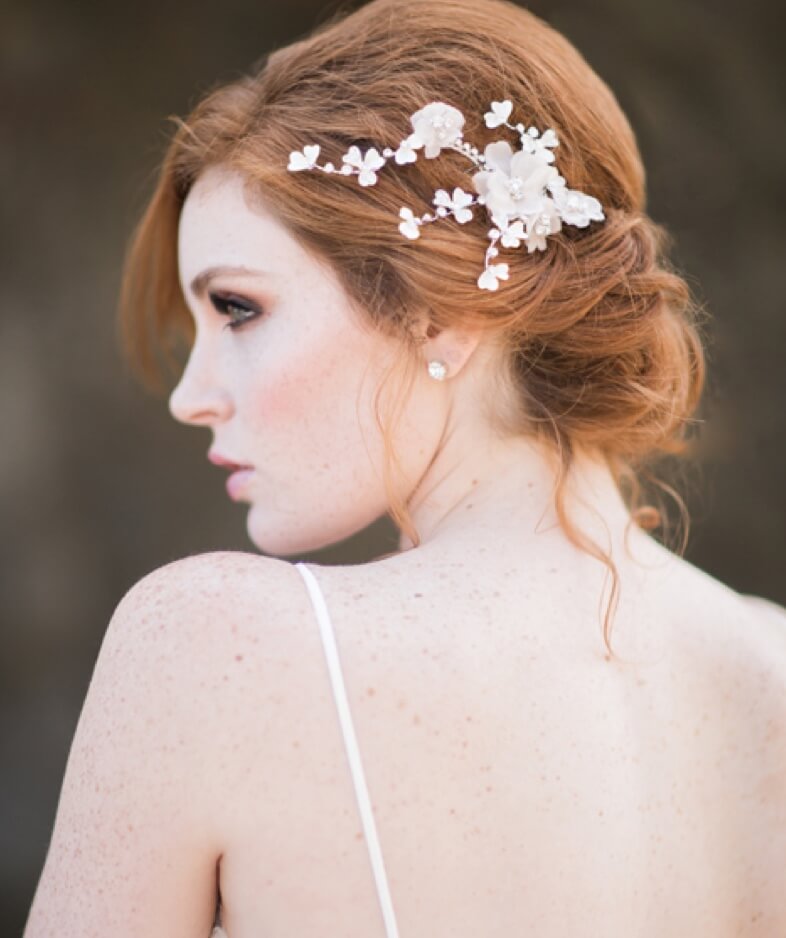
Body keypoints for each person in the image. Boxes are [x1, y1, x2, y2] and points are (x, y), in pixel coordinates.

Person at [24, 0, 786, 934]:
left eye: (238, 308)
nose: (193, 394)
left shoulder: (214, 648)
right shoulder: (771, 669)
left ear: (444, 312)